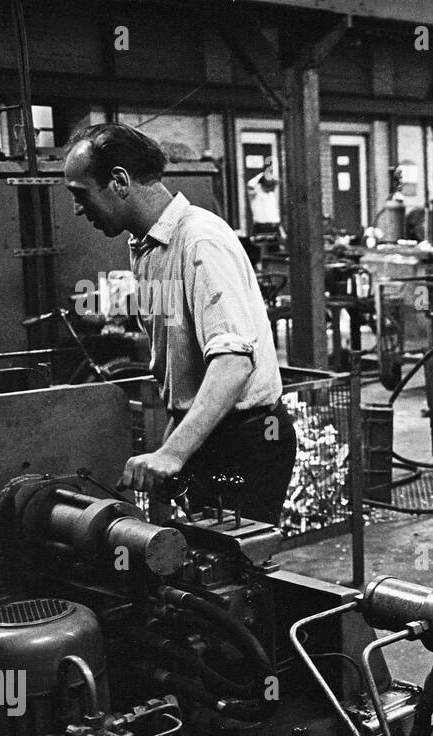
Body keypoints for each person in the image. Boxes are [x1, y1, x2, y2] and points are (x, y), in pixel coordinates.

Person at [63, 123, 297, 524]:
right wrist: (173, 443)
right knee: (194, 564)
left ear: (119, 181)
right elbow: (181, 367)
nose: (77, 210)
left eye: (80, 195)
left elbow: (234, 363)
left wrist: (172, 453)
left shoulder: (200, 239)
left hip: (246, 439)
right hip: (207, 434)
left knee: (232, 572)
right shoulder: (145, 248)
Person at [246, 160, 282, 237]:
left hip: (274, 226)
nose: (271, 188)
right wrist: (262, 174)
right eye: (268, 185)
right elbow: (250, 184)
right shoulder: (256, 193)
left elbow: (277, 180)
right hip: (260, 226)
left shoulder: (272, 195)